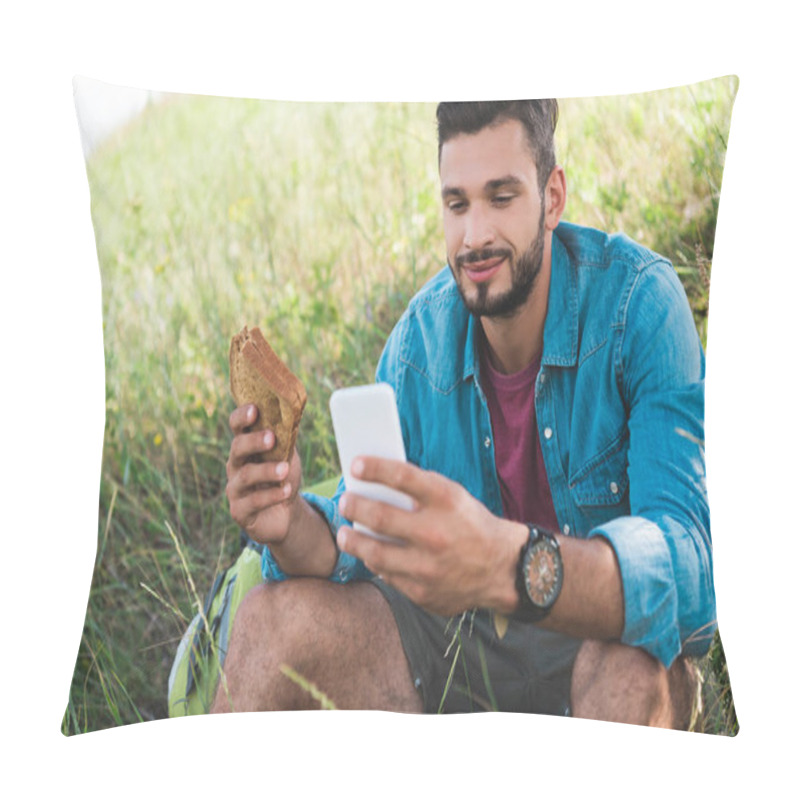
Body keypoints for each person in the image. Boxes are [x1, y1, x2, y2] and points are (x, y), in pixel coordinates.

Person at [214, 100, 715, 727]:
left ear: (552, 198)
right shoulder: (417, 347)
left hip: (599, 644)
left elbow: (695, 574)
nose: (474, 236)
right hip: (457, 657)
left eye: (501, 197)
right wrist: (288, 522)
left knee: (631, 668)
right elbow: (357, 548)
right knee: (266, 620)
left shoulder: (640, 306)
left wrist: (509, 564)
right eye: (458, 204)